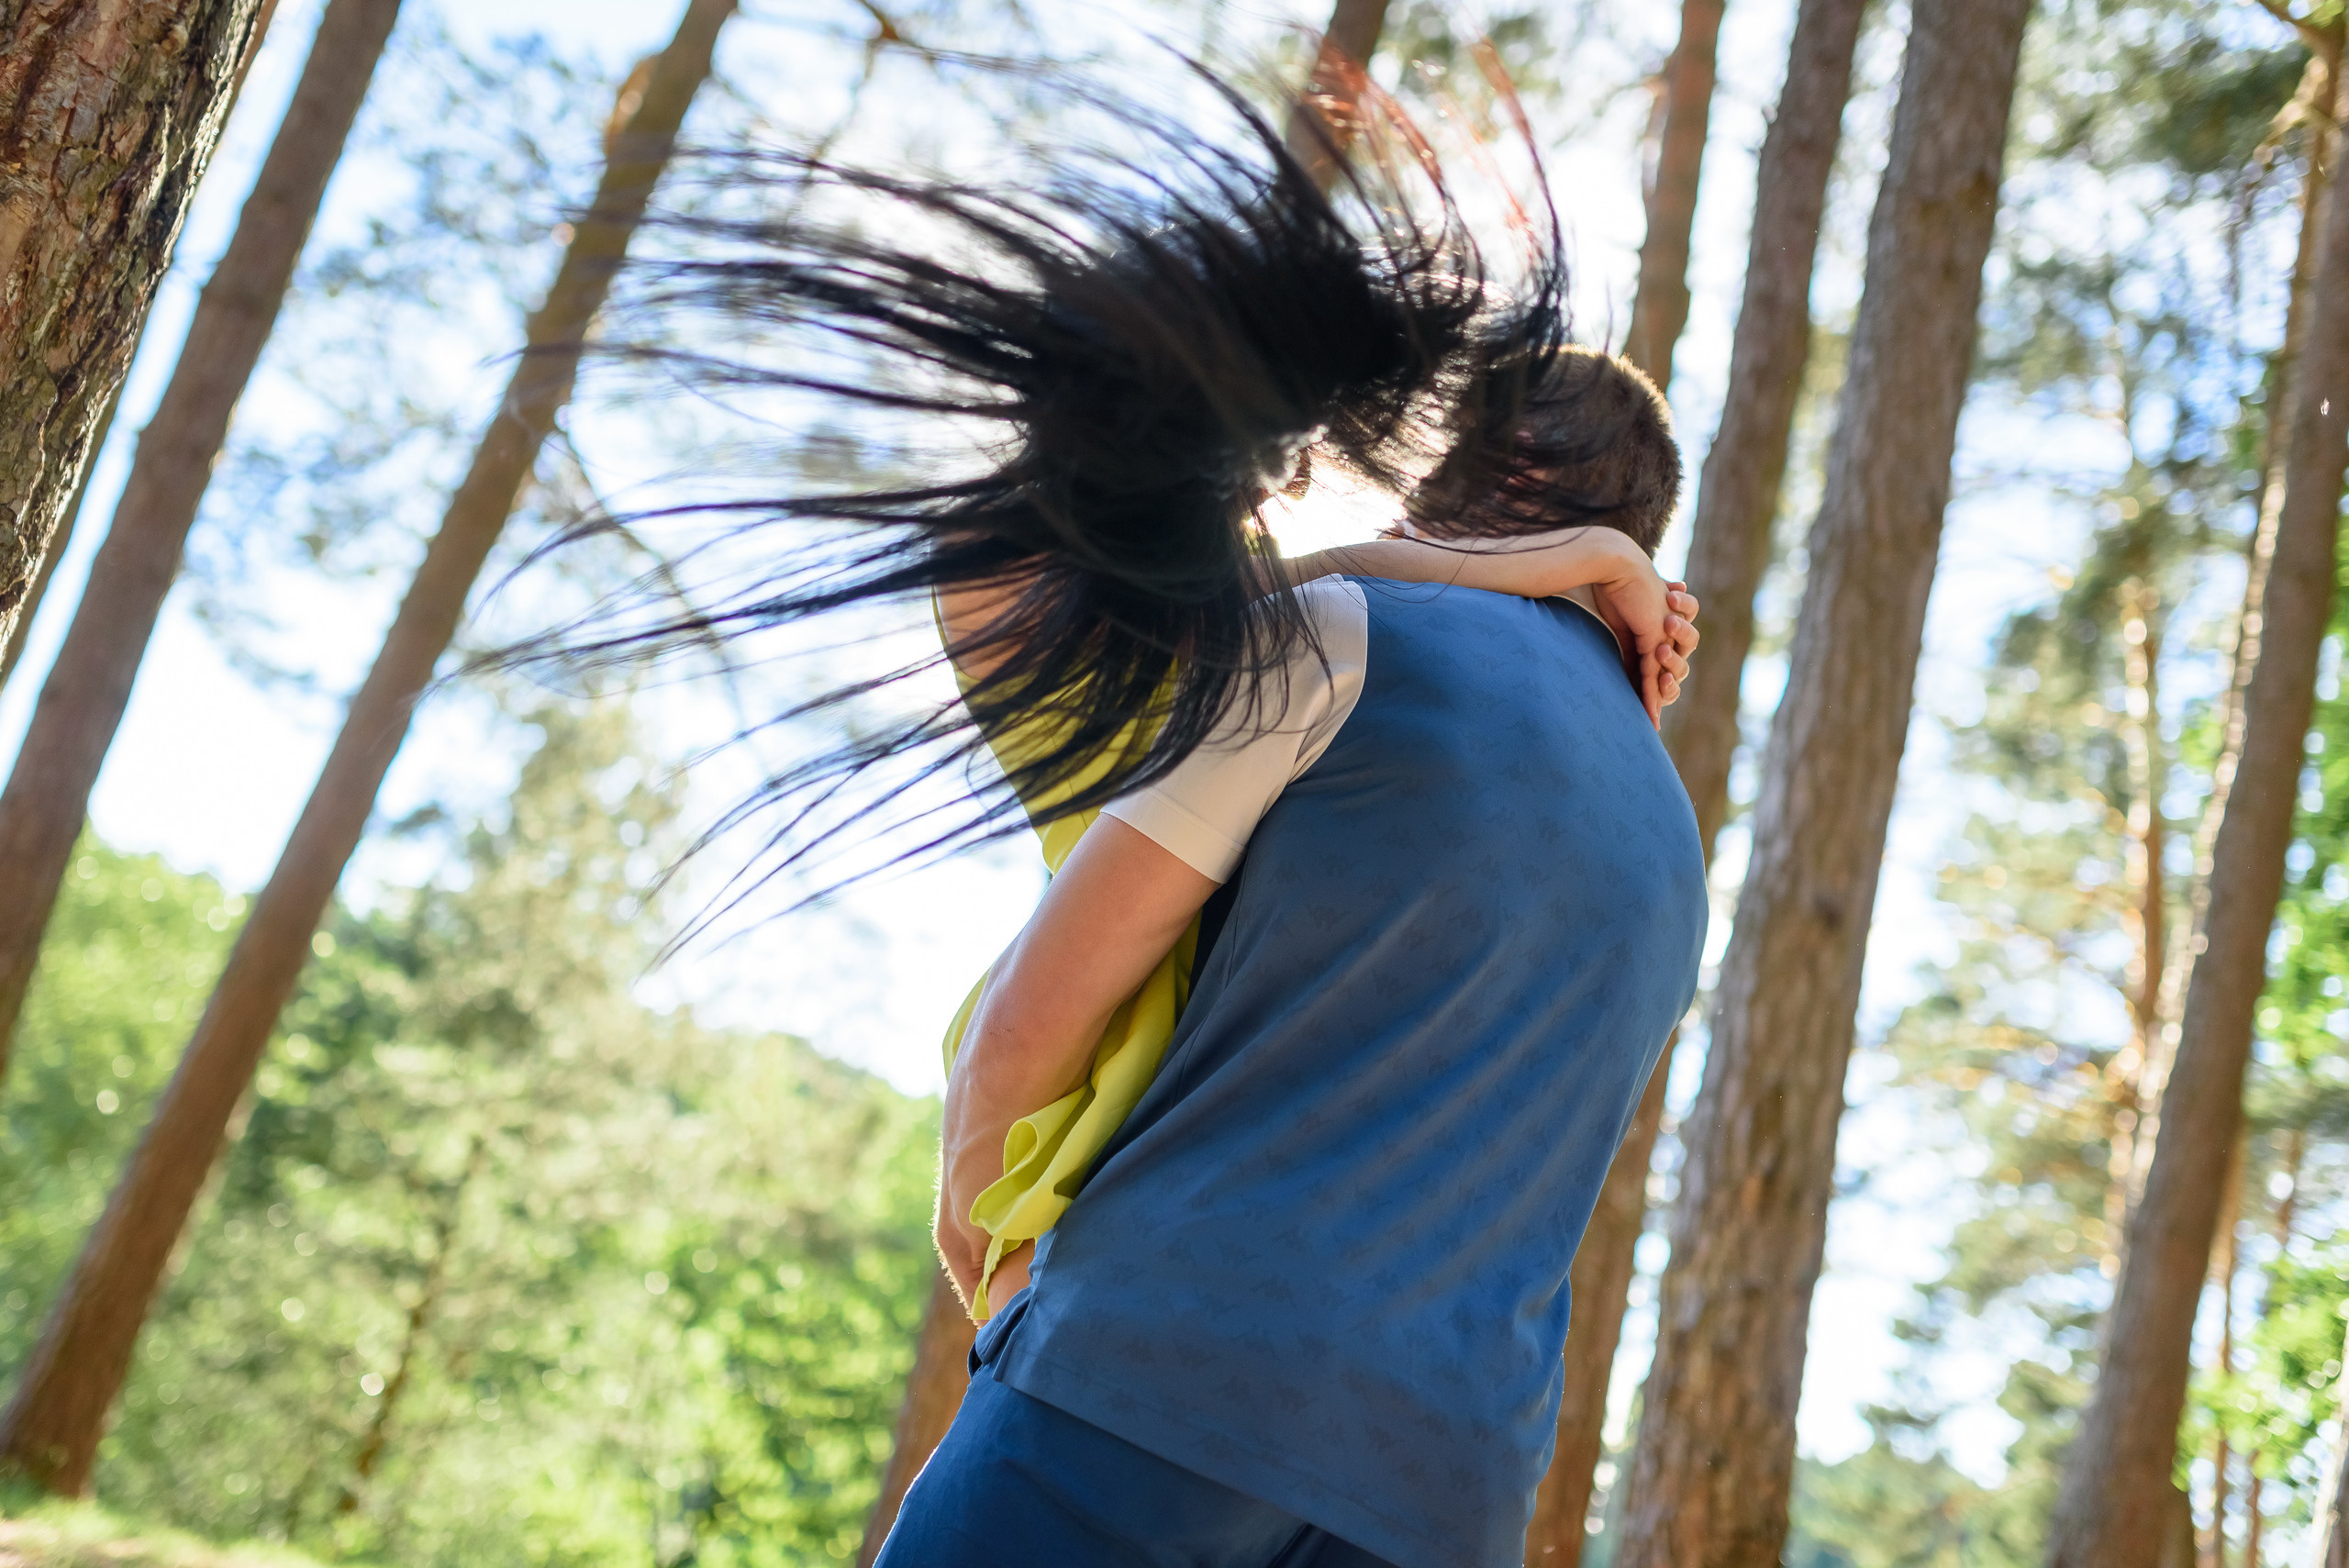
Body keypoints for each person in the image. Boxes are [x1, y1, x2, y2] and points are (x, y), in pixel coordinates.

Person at [562, 59, 1709, 1568]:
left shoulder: (1342, 640)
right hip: (1446, 1497)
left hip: (1157, 1386)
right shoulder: (1680, 850)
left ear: (1495, 474)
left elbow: (1039, 1005)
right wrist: (1562, 572)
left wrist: (991, 1246)